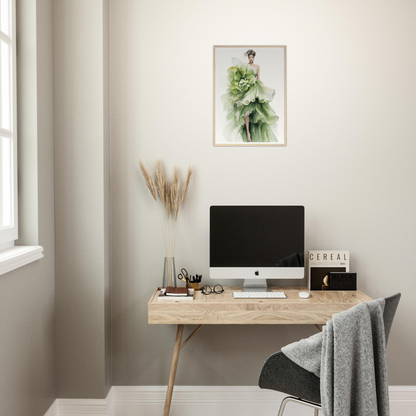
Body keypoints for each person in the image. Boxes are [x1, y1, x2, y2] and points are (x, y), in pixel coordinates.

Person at [221, 49, 279, 143]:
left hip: (255, 89)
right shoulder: (245, 66)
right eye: (249, 57)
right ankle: (248, 132)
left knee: (259, 110)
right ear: (248, 57)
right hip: (247, 89)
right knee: (246, 111)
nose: (251, 58)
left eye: (252, 57)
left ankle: (255, 132)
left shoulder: (257, 66)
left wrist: (262, 90)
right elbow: (242, 77)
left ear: (254, 57)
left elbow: (258, 79)